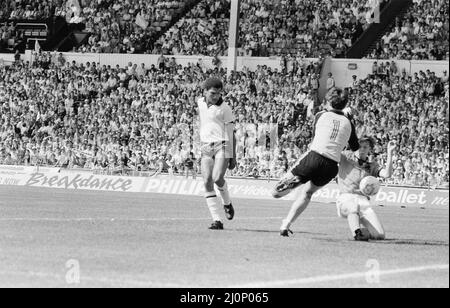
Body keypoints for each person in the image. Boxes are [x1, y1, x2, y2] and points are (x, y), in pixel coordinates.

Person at [272, 88, 360, 237]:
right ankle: (285, 225)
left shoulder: (321, 115)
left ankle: (290, 186)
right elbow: (355, 147)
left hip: (314, 157)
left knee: (275, 193)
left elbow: (316, 135)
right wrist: (349, 118)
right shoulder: (349, 123)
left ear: (329, 101)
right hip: (332, 166)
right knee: (307, 193)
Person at [336, 137, 396, 241]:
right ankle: (357, 233)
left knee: (379, 235)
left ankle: (363, 232)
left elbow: (387, 174)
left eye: (365, 147)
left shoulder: (372, 165)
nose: (362, 149)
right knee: (352, 207)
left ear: (370, 149)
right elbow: (333, 153)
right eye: (360, 146)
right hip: (346, 197)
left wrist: (389, 152)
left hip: (363, 201)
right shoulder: (345, 156)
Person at [198, 78, 237, 230]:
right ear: (205, 91)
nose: (216, 97)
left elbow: (231, 133)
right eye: (213, 93)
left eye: (219, 94)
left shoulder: (225, 109)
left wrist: (233, 156)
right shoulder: (200, 102)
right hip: (206, 145)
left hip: (223, 144)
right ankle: (216, 220)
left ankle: (227, 203)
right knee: (207, 180)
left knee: (217, 178)